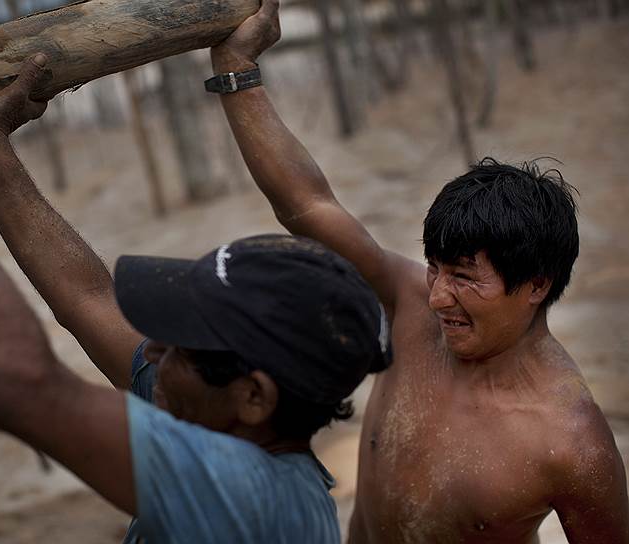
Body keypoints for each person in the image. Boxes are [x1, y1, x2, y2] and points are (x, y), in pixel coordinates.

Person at [0, 63, 390, 543]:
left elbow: (15, 385)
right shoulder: (217, 415)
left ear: (253, 395)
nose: (151, 351)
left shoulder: (252, 500)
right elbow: (87, 296)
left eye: (180, 347)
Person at [208, 1, 629, 542]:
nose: (437, 298)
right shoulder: (409, 302)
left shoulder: (572, 443)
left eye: (465, 277)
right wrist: (237, 71)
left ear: (537, 285)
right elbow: (307, 207)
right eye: (435, 270)